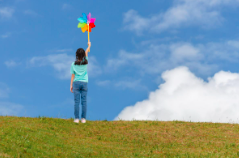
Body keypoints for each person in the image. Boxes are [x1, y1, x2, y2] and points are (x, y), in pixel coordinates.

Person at [70, 41, 91, 123]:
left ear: (76, 55)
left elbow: (72, 76)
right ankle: (83, 119)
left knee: (76, 102)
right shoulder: (86, 61)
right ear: (83, 56)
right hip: (84, 83)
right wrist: (89, 46)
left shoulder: (73, 64)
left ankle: (76, 119)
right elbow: (86, 53)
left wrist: (71, 85)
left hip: (76, 83)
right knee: (84, 101)